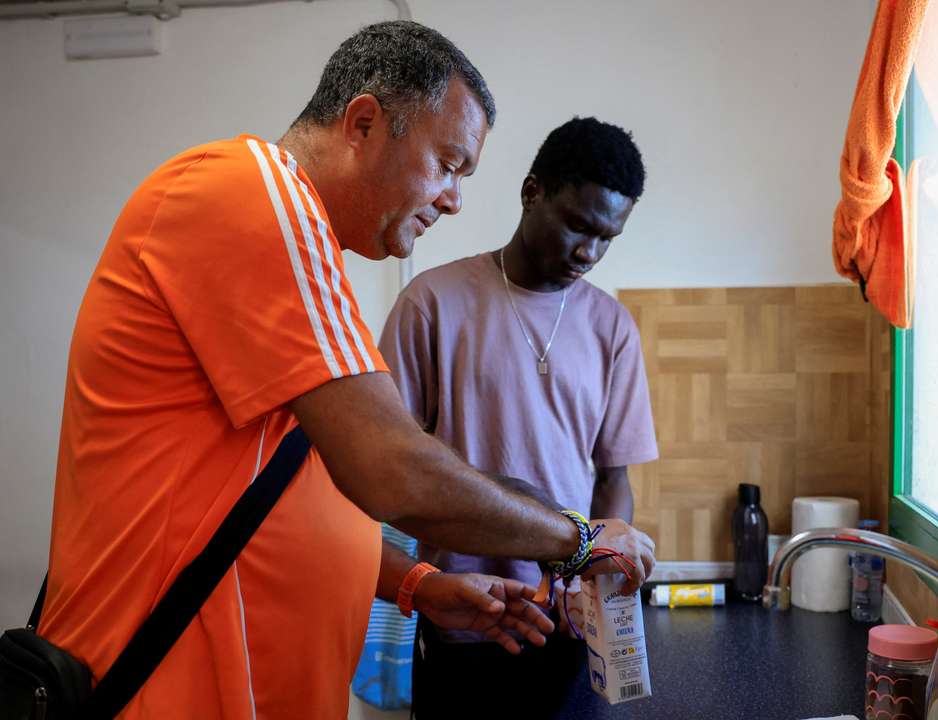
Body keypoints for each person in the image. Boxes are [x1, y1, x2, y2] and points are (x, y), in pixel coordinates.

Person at [37, 22, 653, 719]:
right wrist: (579, 539)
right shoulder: (246, 190)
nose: (453, 198)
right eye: (449, 163)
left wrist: (418, 584)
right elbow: (395, 470)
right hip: (162, 687)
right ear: (364, 123)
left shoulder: (311, 257)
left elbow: (299, 494)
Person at [378, 117, 658, 717]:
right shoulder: (431, 303)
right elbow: (388, 467)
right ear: (532, 192)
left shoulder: (611, 327)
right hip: (466, 621)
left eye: (607, 238)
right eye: (578, 226)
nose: (589, 252)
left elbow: (613, 478)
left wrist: (600, 575)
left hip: (569, 630)